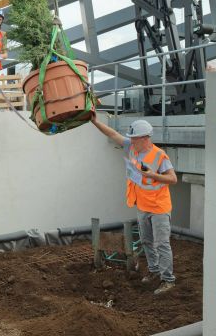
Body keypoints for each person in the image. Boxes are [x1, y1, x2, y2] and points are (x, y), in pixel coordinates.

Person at [91, 114, 178, 295]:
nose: (131, 141)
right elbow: (113, 135)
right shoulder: (132, 148)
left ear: (145, 138)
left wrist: (153, 175)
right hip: (143, 206)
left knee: (162, 244)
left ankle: (168, 280)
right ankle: (154, 271)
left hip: (159, 208)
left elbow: (173, 178)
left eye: (134, 138)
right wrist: (95, 121)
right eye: (130, 138)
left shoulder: (160, 155)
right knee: (146, 241)